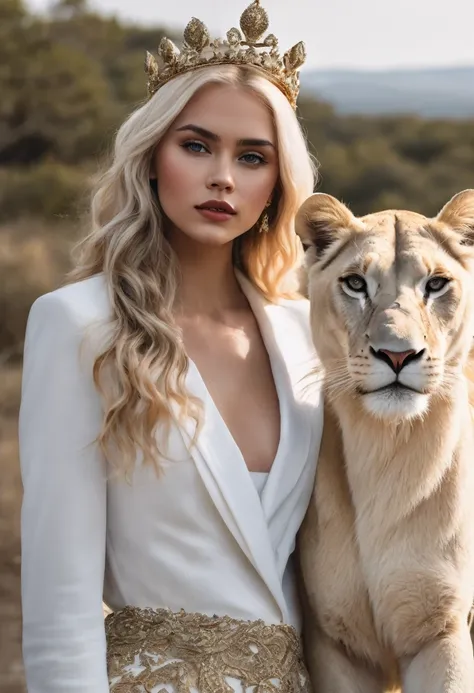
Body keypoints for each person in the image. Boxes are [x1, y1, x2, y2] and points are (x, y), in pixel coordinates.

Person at [19, 1, 324, 691]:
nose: (224, 176)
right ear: (152, 157)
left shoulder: (310, 335)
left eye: (252, 158)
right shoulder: (78, 324)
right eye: (196, 145)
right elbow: (58, 603)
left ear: (278, 186)